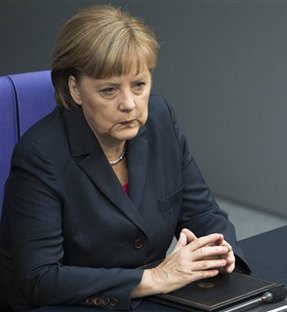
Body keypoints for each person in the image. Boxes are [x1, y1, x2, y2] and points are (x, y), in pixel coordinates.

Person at [0, 5, 249, 311]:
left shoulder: (160, 121)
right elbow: (41, 280)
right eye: (109, 90)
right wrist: (153, 278)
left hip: (158, 297)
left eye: (139, 85)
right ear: (75, 89)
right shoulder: (40, 156)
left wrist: (221, 254)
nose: (129, 104)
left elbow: (202, 214)